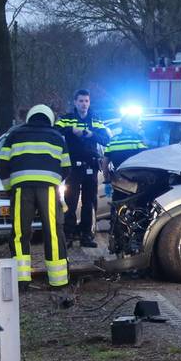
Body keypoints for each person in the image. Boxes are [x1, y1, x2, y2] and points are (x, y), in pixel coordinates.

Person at [0, 105, 72, 292]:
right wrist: (53, 180)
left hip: (22, 188)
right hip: (48, 189)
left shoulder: (14, 135)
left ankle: (21, 280)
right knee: (53, 232)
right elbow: (66, 167)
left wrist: (10, 189)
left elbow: (2, 165)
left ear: (29, 117)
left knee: (20, 232)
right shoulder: (57, 136)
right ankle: (58, 280)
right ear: (50, 119)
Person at [56, 89, 110, 247]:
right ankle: (68, 235)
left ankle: (87, 235)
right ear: (75, 102)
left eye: (86, 101)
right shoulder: (67, 119)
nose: (84, 104)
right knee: (70, 201)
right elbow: (55, 130)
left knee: (89, 202)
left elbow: (106, 139)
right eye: (81, 101)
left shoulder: (95, 120)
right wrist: (71, 131)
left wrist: (91, 135)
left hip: (91, 166)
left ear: (89, 102)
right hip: (73, 166)